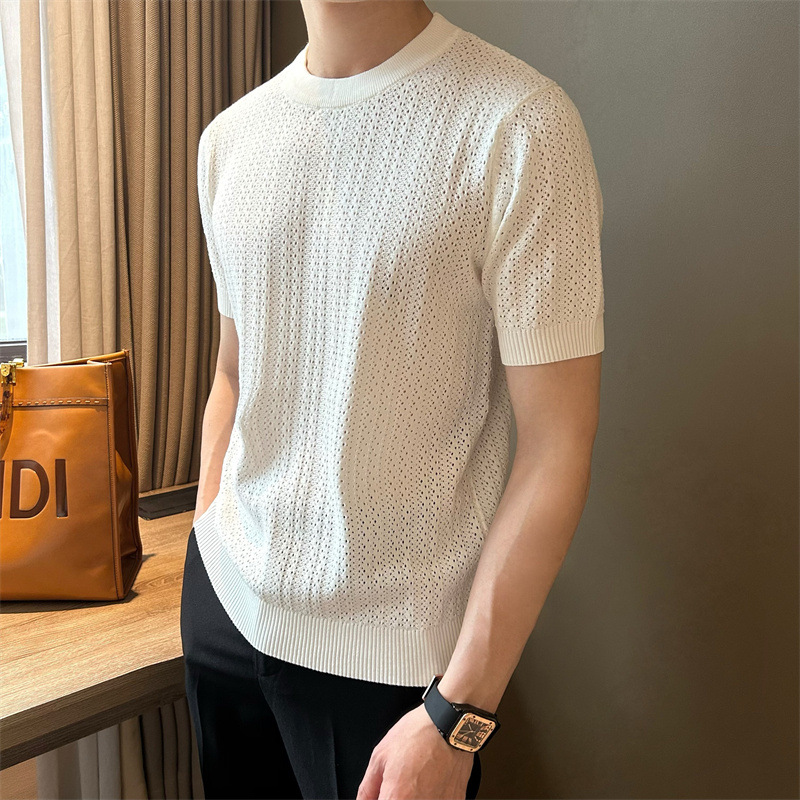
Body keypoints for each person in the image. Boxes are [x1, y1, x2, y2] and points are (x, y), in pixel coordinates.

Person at [180, 1, 605, 798]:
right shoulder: (229, 139)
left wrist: (459, 714)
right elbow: (233, 372)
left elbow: (558, 445)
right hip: (224, 613)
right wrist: (205, 546)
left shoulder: (519, 124)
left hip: (397, 675)